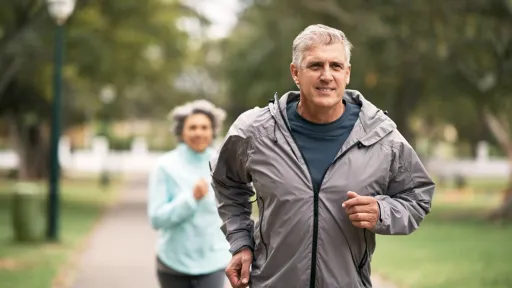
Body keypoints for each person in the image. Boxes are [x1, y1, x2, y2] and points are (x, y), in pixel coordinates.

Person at [210, 24, 435, 288]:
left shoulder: (381, 137)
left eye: (336, 66)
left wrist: (383, 211)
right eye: (315, 66)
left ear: (347, 73)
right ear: (296, 72)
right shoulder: (255, 131)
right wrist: (241, 242)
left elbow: (418, 195)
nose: (326, 76)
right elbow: (227, 182)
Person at [147, 99, 231, 288]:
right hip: (173, 261)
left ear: (212, 131)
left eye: (204, 127)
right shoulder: (165, 166)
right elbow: (156, 219)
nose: (198, 132)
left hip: (213, 260)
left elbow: (234, 211)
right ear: (181, 131)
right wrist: (191, 198)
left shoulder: (223, 164)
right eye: (192, 127)